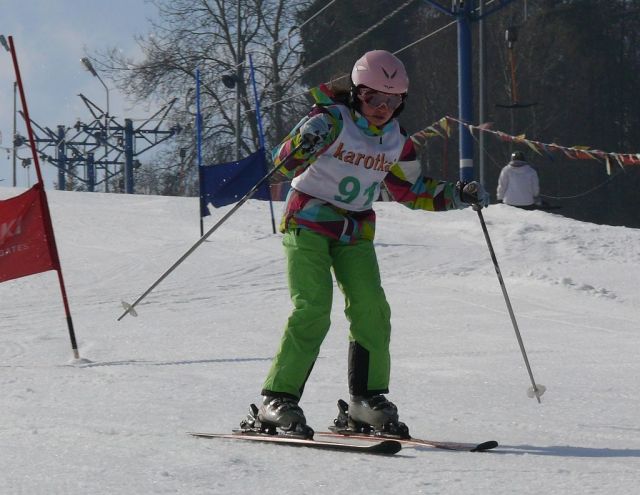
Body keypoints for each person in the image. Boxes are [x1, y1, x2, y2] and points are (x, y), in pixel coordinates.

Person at [246, 50, 490, 438]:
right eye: (373, 97)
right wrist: (303, 143)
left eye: (392, 101)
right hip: (308, 219)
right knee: (313, 307)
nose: (381, 108)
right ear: (356, 93)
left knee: (372, 309)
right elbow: (282, 164)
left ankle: (365, 400)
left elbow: (410, 191)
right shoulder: (329, 120)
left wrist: (457, 194)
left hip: (355, 231)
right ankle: (277, 398)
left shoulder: (397, 141)